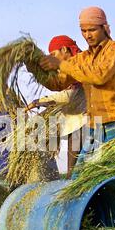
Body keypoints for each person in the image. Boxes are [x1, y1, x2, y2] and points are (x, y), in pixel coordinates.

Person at [38, 7, 115, 172]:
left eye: (92, 30)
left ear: (104, 27)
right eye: (83, 31)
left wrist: (61, 64)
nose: (87, 35)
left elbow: (99, 76)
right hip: (93, 127)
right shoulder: (82, 58)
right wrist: (35, 68)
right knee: (79, 178)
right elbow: (58, 84)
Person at [26, 35, 87, 179]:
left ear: (65, 49)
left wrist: (40, 101)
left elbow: (70, 93)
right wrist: (36, 70)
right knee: (73, 173)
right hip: (78, 123)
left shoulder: (80, 62)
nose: (53, 58)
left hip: (89, 121)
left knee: (76, 172)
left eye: (54, 54)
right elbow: (57, 84)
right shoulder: (69, 68)